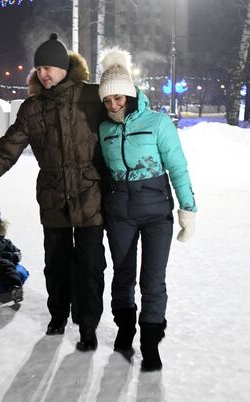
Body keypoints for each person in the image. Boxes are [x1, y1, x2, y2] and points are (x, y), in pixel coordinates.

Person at [0, 33, 108, 350]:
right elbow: (5, 152)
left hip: (91, 194)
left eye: (49, 67)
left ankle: (88, 324)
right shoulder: (32, 109)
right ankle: (58, 316)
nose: (43, 74)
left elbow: (127, 117)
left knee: (90, 264)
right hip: (53, 198)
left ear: (65, 67)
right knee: (57, 262)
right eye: (39, 68)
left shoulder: (93, 96)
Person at [97, 48, 197, 371]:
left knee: (152, 281)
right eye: (107, 100)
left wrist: (188, 208)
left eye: (118, 99)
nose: (113, 106)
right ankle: (125, 331)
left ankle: (150, 343)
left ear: (130, 94)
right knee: (122, 277)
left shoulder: (157, 123)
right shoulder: (104, 129)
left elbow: (177, 166)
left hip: (156, 215)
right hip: (120, 213)